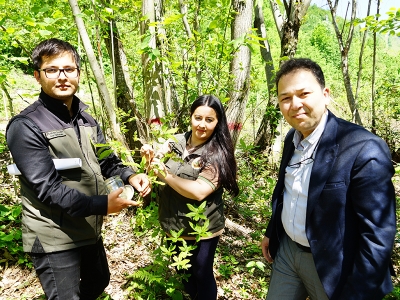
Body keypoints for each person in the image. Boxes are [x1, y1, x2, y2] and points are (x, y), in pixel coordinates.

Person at [6, 38, 151, 300]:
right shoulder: (26, 125)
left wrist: (131, 175)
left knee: (99, 280)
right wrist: (103, 205)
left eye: (68, 69)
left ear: (78, 74)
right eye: (52, 70)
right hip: (53, 235)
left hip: (87, 228)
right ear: (38, 76)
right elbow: (48, 188)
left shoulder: (85, 118)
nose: (62, 77)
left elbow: (107, 161)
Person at [261, 58, 396, 300]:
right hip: (288, 252)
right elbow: (285, 190)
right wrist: (272, 230)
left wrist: (358, 293)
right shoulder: (293, 138)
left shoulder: (363, 149)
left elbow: (378, 235)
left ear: (325, 94)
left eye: (304, 93)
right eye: (285, 98)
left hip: (335, 266)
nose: (295, 104)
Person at [141, 95, 239, 299]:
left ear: (218, 122)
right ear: (191, 117)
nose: (202, 125)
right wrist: (149, 157)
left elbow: (199, 191)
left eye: (209, 120)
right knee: (184, 273)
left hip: (203, 227)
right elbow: (152, 167)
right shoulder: (174, 142)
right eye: (198, 118)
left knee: (202, 272)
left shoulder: (217, 153)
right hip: (173, 223)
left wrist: (164, 174)